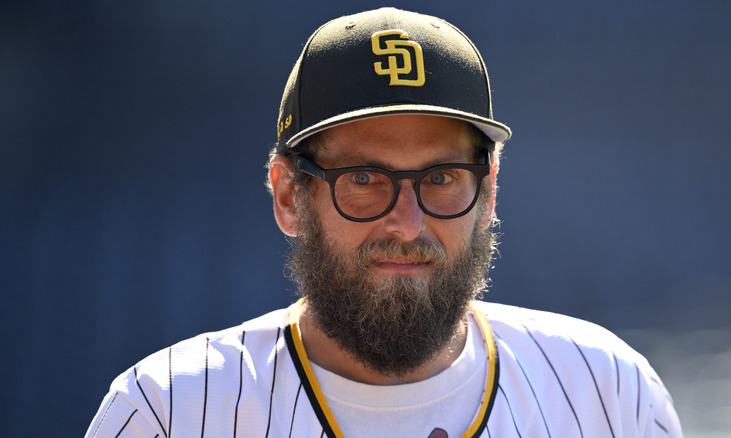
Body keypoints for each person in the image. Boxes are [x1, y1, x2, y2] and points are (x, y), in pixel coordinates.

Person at [86, 7, 683, 438]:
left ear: (489, 189)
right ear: (289, 195)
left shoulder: (607, 389)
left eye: (441, 177)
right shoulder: (168, 411)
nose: (407, 222)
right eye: (366, 179)